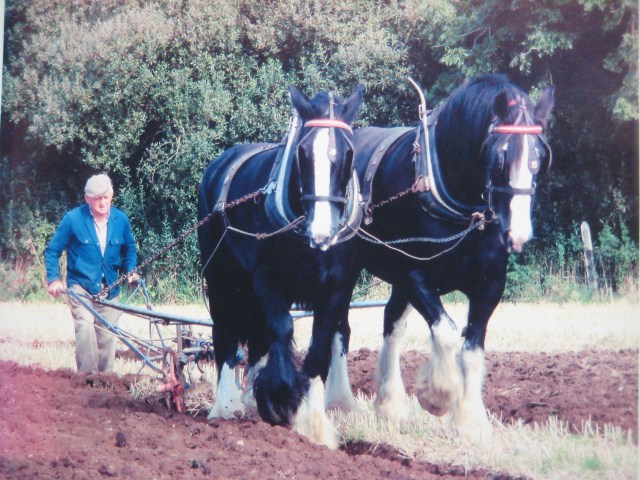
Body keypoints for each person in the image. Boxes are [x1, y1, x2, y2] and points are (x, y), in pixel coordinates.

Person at [44, 173, 139, 374]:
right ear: (87, 199)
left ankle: (106, 382)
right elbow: (52, 251)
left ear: (112, 195)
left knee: (107, 336)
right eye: (97, 198)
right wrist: (53, 279)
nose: (102, 202)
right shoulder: (73, 219)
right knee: (85, 328)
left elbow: (130, 249)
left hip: (111, 288)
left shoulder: (120, 219)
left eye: (105, 197)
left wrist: (131, 272)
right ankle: (87, 381)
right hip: (81, 287)